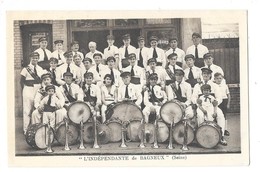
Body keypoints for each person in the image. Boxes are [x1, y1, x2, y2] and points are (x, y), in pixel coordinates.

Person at [192, 67, 226, 145]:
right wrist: (197, 103)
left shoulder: (214, 85)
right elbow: (193, 97)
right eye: (204, 73)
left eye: (207, 74)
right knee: (200, 116)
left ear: (210, 75)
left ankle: (221, 136)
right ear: (202, 74)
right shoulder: (197, 85)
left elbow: (219, 97)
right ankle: (200, 135)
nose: (206, 75)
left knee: (220, 115)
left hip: (212, 106)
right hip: (201, 105)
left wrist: (215, 104)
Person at [20, 52, 46, 134]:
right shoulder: (25, 69)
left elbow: (43, 80)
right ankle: (26, 129)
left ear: (38, 59)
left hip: (38, 89)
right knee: (27, 110)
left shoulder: (40, 68)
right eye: (33, 58)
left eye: (36, 58)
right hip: (28, 89)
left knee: (36, 109)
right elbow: (21, 81)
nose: (35, 59)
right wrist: (25, 90)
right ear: (30, 58)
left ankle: (36, 128)